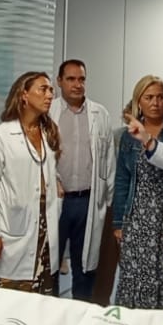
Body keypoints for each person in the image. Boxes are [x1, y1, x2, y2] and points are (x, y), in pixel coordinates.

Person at [0, 71, 63, 295]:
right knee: (6, 298)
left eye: (51, 90)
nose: (49, 95)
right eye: (43, 89)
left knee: (40, 297)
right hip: (11, 230)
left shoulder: (48, 133)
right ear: (24, 95)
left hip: (44, 228)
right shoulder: (1, 136)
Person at [111, 75, 163, 309]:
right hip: (137, 215)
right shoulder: (129, 135)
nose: (155, 103)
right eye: (149, 97)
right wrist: (118, 222)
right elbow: (122, 179)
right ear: (138, 102)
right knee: (133, 271)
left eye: (160, 97)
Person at [53, 59, 113, 301]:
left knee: (84, 268)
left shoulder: (100, 114)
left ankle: (81, 312)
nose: (77, 85)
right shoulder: (49, 113)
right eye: (71, 79)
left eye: (81, 79)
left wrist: (109, 202)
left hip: (87, 201)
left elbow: (109, 161)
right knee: (50, 264)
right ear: (59, 82)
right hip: (57, 201)